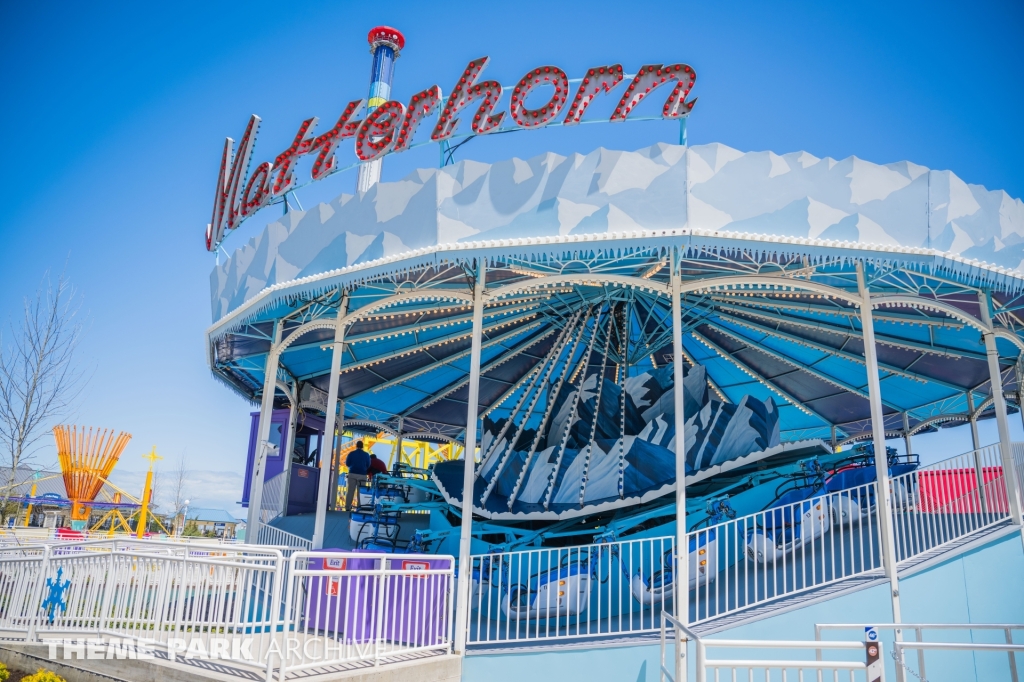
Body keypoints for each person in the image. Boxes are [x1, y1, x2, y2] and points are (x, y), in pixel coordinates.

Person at [344, 441, 370, 512]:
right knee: (360, 492)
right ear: (362, 446)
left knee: (350, 491)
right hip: (362, 475)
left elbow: (347, 463)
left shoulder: (351, 454)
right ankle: (359, 507)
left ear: (356, 446)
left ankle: (347, 507)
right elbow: (368, 465)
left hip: (352, 474)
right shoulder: (366, 455)